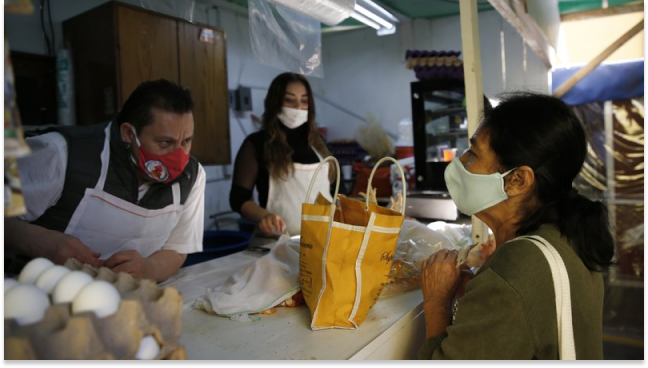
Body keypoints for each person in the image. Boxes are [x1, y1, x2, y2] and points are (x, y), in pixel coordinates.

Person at [419, 92, 614, 360]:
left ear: (518, 180)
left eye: (473, 154)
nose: (461, 162)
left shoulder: (516, 267)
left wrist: (436, 302)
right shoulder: (567, 235)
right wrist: (483, 295)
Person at [6, 79, 206, 282]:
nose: (178, 156)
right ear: (129, 133)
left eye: (186, 141)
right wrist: (44, 242)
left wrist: (148, 268)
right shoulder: (61, 153)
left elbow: (178, 248)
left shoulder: (192, 176)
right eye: (164, 142)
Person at [229, 72, 333, 238]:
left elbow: (334, 192)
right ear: (275, 103)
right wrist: (264, 216)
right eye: (289, 100)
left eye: (304, 101)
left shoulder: (317, 143)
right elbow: (238, 200)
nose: (298, 107)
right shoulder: (256, 144)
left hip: (320, 242)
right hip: (276, 244)